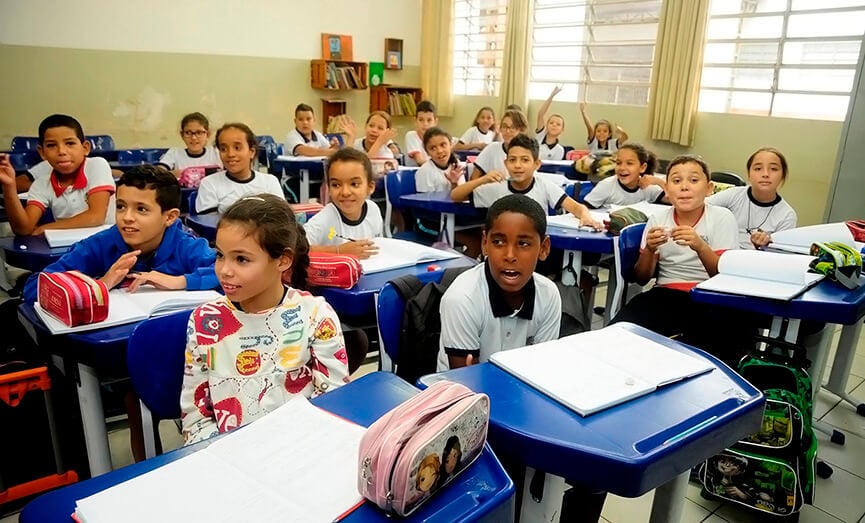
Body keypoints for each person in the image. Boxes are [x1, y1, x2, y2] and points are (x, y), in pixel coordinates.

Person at [435, 194, 607, 522]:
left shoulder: (548, 294)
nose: (510, 255)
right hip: (465, 415)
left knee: (595, 471)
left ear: (544, 248)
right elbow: (468, 399)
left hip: (522, 405)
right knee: (510, 481)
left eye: (524, 244)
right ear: (484, 244)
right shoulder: (463, 298)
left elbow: (541, 374)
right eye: (499, 242)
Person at [180, 194, 350, 444]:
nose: (224, 270)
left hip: (302, 448)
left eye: (241, 259)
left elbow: (333, 402)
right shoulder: (205, 322)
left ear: (283, 260)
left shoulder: (316, 315)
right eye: (220, 255)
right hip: (229, 453)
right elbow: (195, 418)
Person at [611, 155, 758, 364]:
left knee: (711, 347)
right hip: (666, 294)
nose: (684, 187)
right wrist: (650, 250)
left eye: (694, 180)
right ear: (667, 190)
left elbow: (721, 276)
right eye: (676, 181)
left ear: (709, 188)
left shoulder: (722, 217)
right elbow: (641, 278)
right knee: (618, 334)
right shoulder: (658, 219)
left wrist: (700, 246)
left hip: (712, 296)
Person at [451, 134, 602, 230]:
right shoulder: (497, 187)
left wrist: (586, 217)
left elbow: (576, 207)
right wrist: (483, 179)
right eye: (512, 160)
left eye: (524, 160)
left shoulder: (544, 185)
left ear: (536, 164)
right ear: (506, 163)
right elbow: (456, 195)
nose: (517, 165)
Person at [0, 114, 115, 236]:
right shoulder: (41, 184)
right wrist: (9, 186)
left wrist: (45, 228)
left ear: (85, 148)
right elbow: (23, 229)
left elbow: (95, 217)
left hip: (107, 243)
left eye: (70, 143)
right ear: (42, 153)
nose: (61, 151)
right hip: (67, 245)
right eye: (51, 145)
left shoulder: (97, 165)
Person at [707, 147, 797, 249]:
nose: (765, 174)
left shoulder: (787, 215)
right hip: (721, 254)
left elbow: (780, 254)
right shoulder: (733, 195)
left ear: (782, 176)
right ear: (749, 174)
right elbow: (700, 207)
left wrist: (764, 247)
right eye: (758, 169)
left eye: (773, 169)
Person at [304, 148, 382, 259]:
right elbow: (296, 249)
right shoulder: (325, 218)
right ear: (329, 189)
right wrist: (338, 251)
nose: (345, 192)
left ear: (370, 187)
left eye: (354, 184)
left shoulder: (373, 210)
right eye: (336, 185)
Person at [194, 123, 284, 214]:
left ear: (252, 152)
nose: (230, 154)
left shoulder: (270, 182)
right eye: (223, 149)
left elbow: (281, 217)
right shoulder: (209, 184)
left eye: (237, 148)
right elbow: (208, 221)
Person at [584, 143, 666, 208]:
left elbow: (672, 199)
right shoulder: (607, 186)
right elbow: (584, 209)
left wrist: (658, 181)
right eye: (618, 163)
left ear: (642, 167)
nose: (622, 168)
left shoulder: (648, 187)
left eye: (629, 163)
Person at [157, 112, 222, 177]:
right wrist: (176, 174)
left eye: (199, 132)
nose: (193, 138)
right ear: (182, 135)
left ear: (208, 134)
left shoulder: (216, 153)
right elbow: (158, 173)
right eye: (188, 133)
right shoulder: (174, 153)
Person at [469, 109, 528, 180]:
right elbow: (474, 177)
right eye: (504, 126)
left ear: (521, 130)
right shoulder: (492, 148)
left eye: (513, 127)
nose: (507, 131)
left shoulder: (528, 153)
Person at [414, 127, 465, 193]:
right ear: (427, 153)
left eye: (443, 145)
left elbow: (461, 196)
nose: (439, 151)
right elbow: (425, 199)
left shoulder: (457, 165)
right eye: (433, 148)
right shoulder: (424, 172)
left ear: (450, 145)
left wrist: (454, 184)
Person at [534, 85, 567, 161]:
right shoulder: (540, 136)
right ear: (546, 126)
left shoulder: (560, 150)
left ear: (562, 130)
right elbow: (541, 114)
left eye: (558, 124)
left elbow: (553, 166)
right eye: (551, 123)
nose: (554, 125)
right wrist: (551, 96)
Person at [404, 100, 439, 166]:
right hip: (416, 172)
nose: (425, 124)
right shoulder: (411, 136)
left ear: (435, 122)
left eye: (429, 120)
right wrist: (440, 165)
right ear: (415, 121)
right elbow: (420, 161)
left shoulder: (437, 139)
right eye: (421, 120)